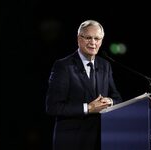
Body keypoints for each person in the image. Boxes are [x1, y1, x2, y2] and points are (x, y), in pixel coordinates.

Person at [45, 19, 122, 150]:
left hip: (100, 140)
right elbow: (53, 107)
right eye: (88, 38)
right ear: (78, 39)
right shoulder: (63, 66)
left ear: (101, 41)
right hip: (72, 141)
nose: (93, 42)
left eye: (97, 38)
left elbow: (117, 98)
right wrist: (89, 108)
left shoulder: (105, 65)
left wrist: (109, 101)